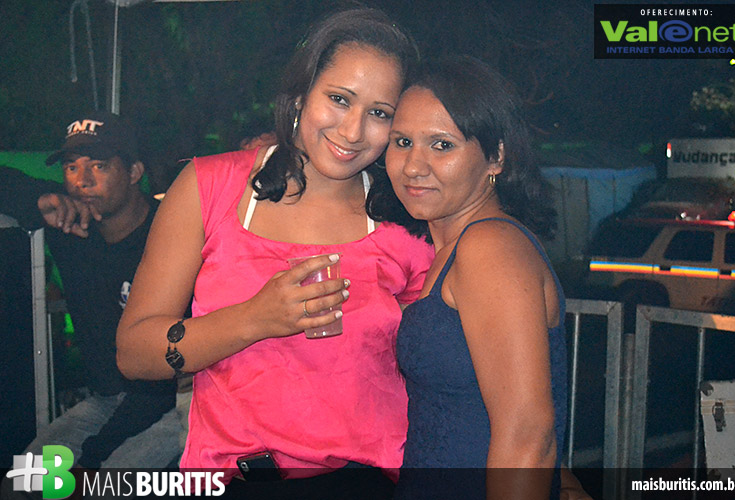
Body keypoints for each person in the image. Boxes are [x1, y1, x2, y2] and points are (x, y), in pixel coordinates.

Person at [116, 8, 432, 499]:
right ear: (301, 94)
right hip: (234, 480)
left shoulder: (408, 222)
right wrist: (254, 319)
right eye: (339, 99)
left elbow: (442, 374)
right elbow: (134, 353)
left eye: (379, 113)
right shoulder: (210, 186)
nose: (353, 131)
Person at [369, 55, 569, 499]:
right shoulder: (450, 251)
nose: (413, 166)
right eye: (402, 142)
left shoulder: (489, 247)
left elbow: (528, 438)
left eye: (442, 145)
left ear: (496, 157)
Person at [0, 112, 180, 488]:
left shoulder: (171, 230)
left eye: (99, 165)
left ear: (133, 172)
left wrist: (90, 461)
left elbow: (164, 381)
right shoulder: (70, 224)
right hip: (106, 401)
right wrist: (38, 199)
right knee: (22, 483)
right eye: (71, 167)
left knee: (104, 488)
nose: (82, 180)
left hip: (177, 402)